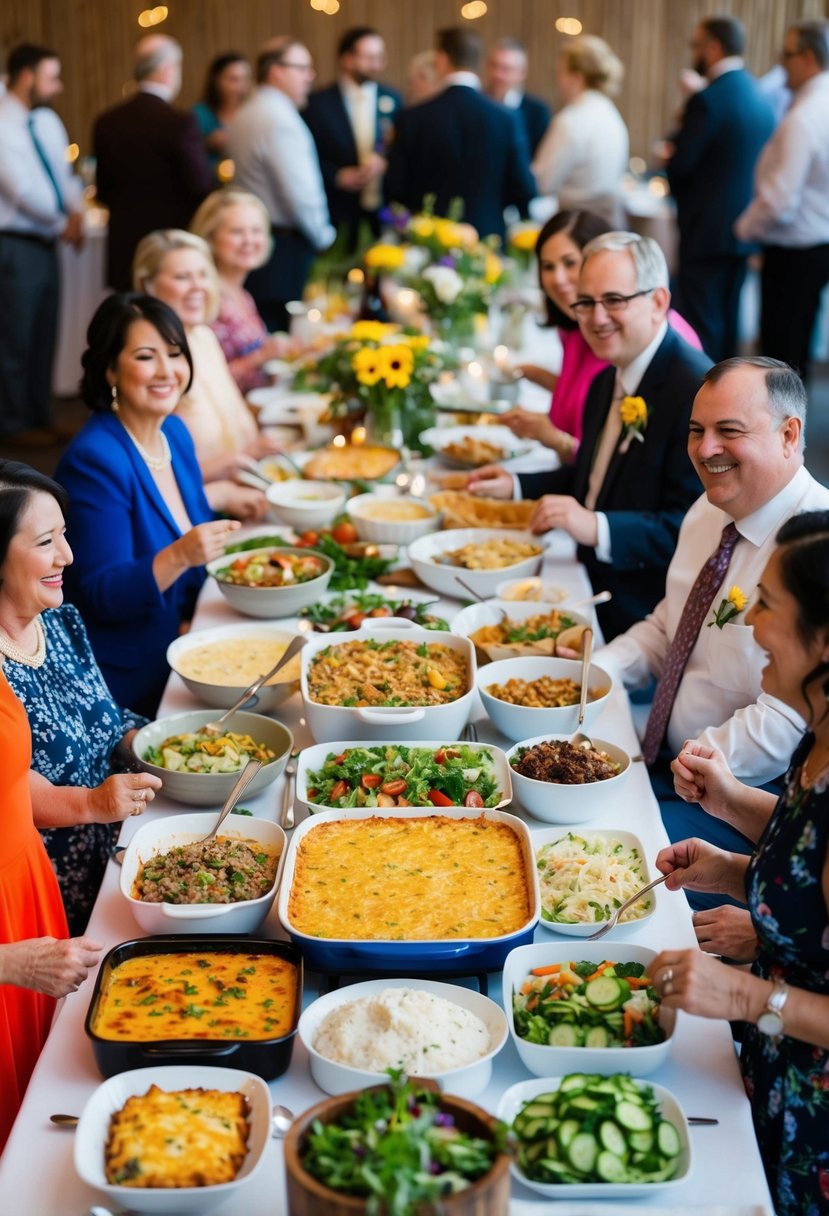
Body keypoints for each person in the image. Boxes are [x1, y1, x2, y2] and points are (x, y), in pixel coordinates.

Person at [596, 358, 829, 932]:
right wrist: (593, 676)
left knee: (604, 874)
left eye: (730, 431)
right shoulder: (708, 509)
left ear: (789, 434)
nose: (705, 449)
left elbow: (789, 718)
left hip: (749, 788)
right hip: (664, 754)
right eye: (697, 431)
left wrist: (692, 766)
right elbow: (667, 625)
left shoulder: (814, 548)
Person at [651, 510, 829, 1216]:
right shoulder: (816, 731)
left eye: (766, 605)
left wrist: (746, 999)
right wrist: (729, 827)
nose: (748, 622)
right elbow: (804, 847)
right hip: (764, 1053)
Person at [469, 232, 710, 641]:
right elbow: (595, 479)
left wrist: (596, 528)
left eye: (614, 300)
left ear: (658, 302)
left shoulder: (696, 391)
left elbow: (693, 529)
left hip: (638, 614)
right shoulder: (607, 379)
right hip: (583, 580)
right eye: (586, 303)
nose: (596, 318)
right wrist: (516, 485)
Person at [55, 294, 239, 716]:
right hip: (133, 677)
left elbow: (196, 534)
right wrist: (180, 555)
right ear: (109, 368)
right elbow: (102, 594)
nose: (166, 371)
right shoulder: (96, 459)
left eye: (175, 354)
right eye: (145, 356)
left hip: (187, 644)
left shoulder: (173, 432)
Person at [0, 461, 161, 934]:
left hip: (120, 849)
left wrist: (162, 742)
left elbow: (103, 718)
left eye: (64, 535)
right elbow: (12, 788)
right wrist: (92, 803)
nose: (67, 556)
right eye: (46, 542)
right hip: (54, 891)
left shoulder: (60, 622)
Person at [502, 210, 702, 462]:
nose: (558, 279)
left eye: (570, 263)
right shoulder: (578, 330)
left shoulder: (630, 342)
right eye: (548, 266)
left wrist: (553, 438)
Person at [0, 667, 102, 1151]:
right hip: (8, 953)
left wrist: (86, 804)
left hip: (25, 894)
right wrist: (11, 962)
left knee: (44, 1108)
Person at [132, 227, 277, 508]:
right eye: (182, 277)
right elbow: (147, 476)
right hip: (197, 509)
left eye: (203, 275)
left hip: (244, 488)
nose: (198, 286)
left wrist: (257, 448)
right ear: (148, 285)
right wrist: (236, 461)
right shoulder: (150, 361)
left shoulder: (203, 336)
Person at [666, 16, 775, 362]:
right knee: (729, 324)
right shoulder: (758, 94)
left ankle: (701, 402)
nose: (695, 53)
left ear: (713, 47)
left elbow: (680, 165)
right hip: (741, 230)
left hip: (705, 231)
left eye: (697, 45)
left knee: (699, 324)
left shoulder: (707, 100)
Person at [735, 19, 829, 382]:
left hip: (793, 254)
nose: (781, 63)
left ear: (807, 58)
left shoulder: (804, 116)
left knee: (781, 358)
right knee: (798, 347)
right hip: (817, 245)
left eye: (786, 55)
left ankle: (780, 433)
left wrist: (743, 228)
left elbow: (778, 200)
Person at [0, 43, 84, 446]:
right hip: (14, 242)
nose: (58, 85)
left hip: (47, 240)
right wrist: (61, 221)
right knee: (15, 336)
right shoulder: (1, 122)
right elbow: (23, 192)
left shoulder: (47, 121)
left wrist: (77, 212)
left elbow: (65, 176)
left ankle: (42, 413)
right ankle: (14, 425)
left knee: (44, 331)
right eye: (51, 77)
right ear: (28, 76)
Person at [385, 27, 535, 243]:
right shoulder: (507, 119)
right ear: (477, 61)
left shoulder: (412, 118)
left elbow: (394, 188)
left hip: (428, 243)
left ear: (442, 59)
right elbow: (525, 188)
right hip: (486, 241)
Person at [228, 39, 336, 332]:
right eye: (301, 68)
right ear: (276, 72)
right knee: (279, 337)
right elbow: (301, 195)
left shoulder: (247, 111)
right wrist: (324, 236)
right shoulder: (280, 119)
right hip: (281, 249)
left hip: (257, 244)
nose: (309, 76)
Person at [93, 34, 212, 291]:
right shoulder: (179, 122)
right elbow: (200, 185)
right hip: (170, 251)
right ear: (168, 70)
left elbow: (102, 191)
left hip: (124, 247)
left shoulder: (107, 122)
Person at [304, 27, 402, 250]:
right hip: (338, 209)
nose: (376, 65)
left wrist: (385, 162)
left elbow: (403, 149)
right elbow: (307, 155)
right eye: (369, 58)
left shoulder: (393, 98)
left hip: (383, 209)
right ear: (347, 59)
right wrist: (337, 176)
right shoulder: (318, 104)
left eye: (380, 57)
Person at [190, 189, 290, 395]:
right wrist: (262, 356)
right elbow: (203, 384)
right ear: (210, 238)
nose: (249, 240)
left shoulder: (242, 295)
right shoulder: (205, 298)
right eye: (237, 231)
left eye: (256, 230)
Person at [531, 35, 629, 227]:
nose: (557, 80)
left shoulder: (570, 120)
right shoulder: (610, 113)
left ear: (576, 78)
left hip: (577, 227)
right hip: (609, 222)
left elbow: (542, 183)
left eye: (560, 72)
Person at [483, 36, 552, 158]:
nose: (498, 74)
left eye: (506, 69)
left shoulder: (537, 112)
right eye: (494, 66)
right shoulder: (475, 104)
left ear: (522, 73)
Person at [193, 51, 252, 179]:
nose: (241, 87)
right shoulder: (200, 114)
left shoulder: (253, 114)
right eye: (234, 79)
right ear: (217, 80)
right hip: (209, 183)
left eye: (245, 79)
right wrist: (208, 143)